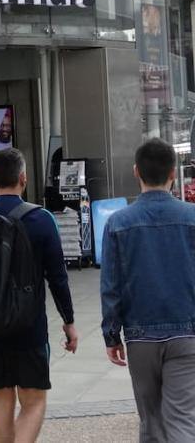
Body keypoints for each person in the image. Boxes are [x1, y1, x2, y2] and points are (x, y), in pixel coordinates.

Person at [0, 148, 77, 443]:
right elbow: (57, 276)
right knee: (33, 403)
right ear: (23, 178)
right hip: (29, 326)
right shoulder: (42, 219)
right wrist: (68, 320)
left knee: (2, 401)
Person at [100, 138, 195, 442]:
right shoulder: (192, 218)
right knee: (182, 419)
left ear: (135, 171)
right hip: (187, 331)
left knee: (150, 421)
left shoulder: (118, 223)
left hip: (140, 334)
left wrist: (111, 334)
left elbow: (111, 286)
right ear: (172, 173)